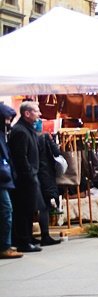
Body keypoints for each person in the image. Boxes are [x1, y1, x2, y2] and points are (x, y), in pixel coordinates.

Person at [8, 102, 43, 253]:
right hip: (24, 178)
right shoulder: (20, 131)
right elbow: (21, 157)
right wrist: (29, 173)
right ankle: (23, 240)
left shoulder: (26, 129)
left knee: (29, 208)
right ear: (27, 113)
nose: (39, 114)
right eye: (36, 111)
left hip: (29, 175)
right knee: (24, 209)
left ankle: (27, 237)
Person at [0, 102, 22, 259]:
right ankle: (5, 246)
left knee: (6, 210)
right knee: (6, 209)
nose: (8, 121)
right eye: (6, 118)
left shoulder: (3, 133)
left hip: (4, 177)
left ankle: (5, 245)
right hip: (2, 178)